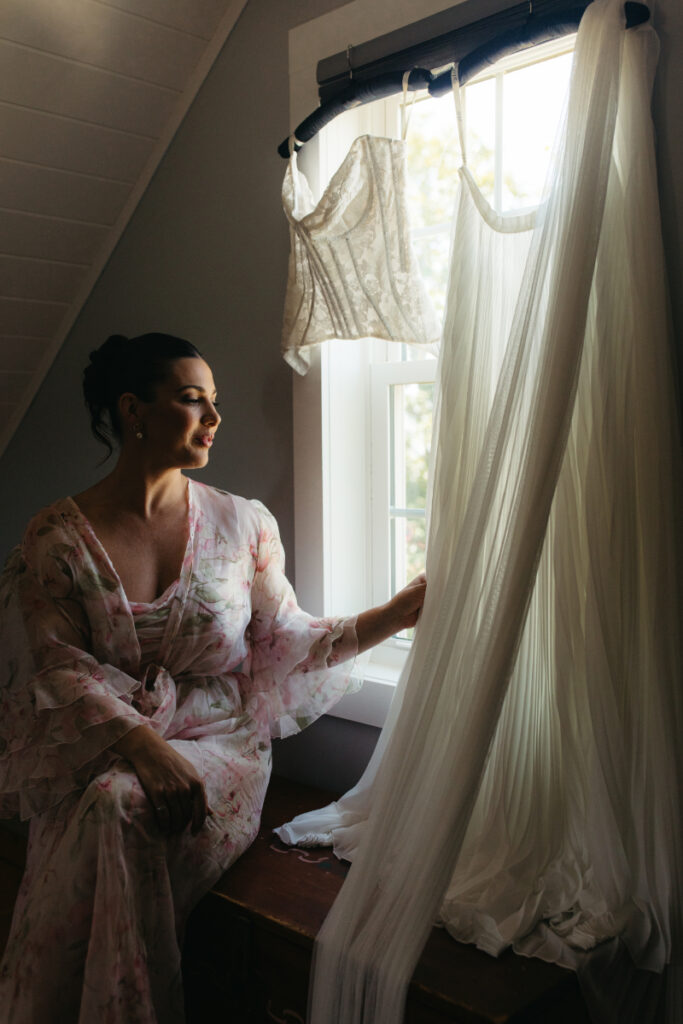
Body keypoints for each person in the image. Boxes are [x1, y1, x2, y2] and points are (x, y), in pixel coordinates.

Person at [0, 333, 426, 1024]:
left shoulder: (241, 524)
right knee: (109, 798)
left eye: (215, 402)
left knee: (113, 806)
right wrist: (143, 746)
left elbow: (281, 638)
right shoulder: (56, 539)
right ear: (134, 410)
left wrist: (394, 614)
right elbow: (59, 671)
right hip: (109, 748)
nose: (214, 418)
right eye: (193, 400)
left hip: (221, 745)